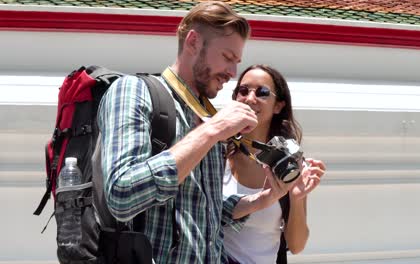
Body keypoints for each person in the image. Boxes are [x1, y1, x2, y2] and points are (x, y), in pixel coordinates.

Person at [96, 2, 257, 263]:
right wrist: (212, 131)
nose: (233, 73)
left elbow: (205, 212)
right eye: (228, 58)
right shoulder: (134, 91)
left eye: (236, 62)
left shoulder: (209, 117)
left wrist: (267, 197)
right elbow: (121, 194)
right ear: (193, 41)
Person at [222, 64, 326, 264]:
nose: (250, 98)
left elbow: (296, 245)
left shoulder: (289, 165)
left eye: (262, 92)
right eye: (243, 91)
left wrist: (296, 198)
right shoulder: (217, 155)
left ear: (278, 106)